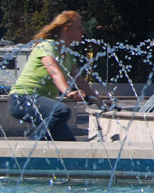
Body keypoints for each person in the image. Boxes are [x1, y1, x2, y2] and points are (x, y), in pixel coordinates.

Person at [8, 11, 107, 141]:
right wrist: (68, 91)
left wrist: (100, 101)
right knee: (61, 111)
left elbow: (79, 80)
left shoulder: (69, 54)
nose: (83, 31)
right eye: (79, 28)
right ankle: (28, 152)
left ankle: (36, 156)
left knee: (70, 147)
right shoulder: (47, 46)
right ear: (67, 29)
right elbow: (54, 71)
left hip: (41, 102)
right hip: (22, 99)